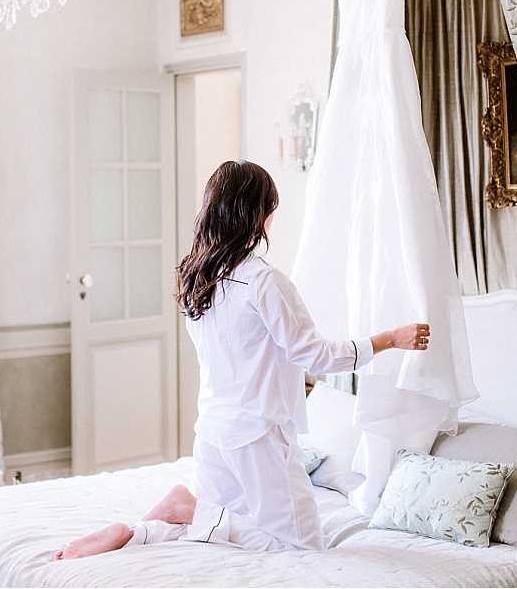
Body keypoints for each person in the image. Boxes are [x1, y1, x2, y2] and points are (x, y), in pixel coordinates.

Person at [54, 160, 430, 559]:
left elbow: (249, 352)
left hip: (215, 430)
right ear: (255, 214)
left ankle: (140, 531)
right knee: (301, 547)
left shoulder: (198, 276)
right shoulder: (264, 281)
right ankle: (188, 508)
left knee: (214, 534)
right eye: (270, 209)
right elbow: (315, 356)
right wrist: (389, 339)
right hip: (258, 436)